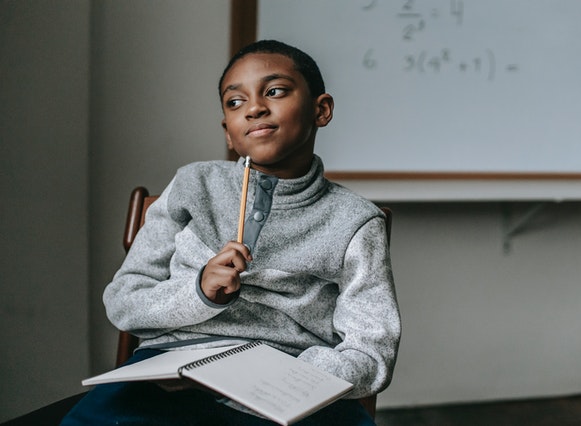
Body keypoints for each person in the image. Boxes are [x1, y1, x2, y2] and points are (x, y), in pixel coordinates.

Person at [62, 39, 401, 425]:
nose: (254, 108)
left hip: (293, 379)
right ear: (228, 132)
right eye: (235, 102)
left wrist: (308, 376)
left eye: (274, 91)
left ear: (320, 110)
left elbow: (371, 350)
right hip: (174, 371)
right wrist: (199, 292)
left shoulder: (355, 220)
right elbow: (125, 302)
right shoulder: (193, 185)